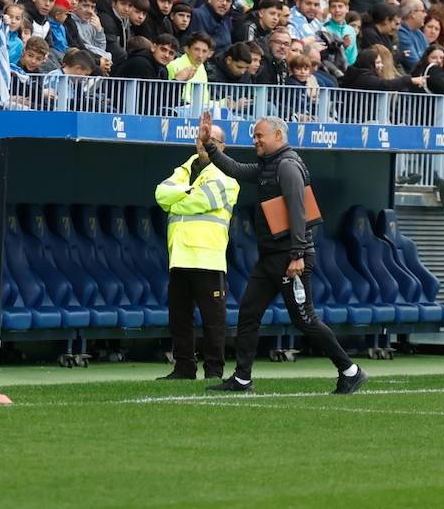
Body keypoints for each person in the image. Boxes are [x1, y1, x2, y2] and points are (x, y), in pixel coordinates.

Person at [199, 114, 368, 395]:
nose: (255, 141)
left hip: (290, 259)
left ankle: (350, 370)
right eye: (254, 136)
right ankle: (242, 379)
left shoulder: (288, 166)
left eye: (259, 136)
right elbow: (237, 170)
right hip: (270, 258)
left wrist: (298, 255)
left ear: (278, 136)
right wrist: (211, 146)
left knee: (305, 319)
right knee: (249, 313)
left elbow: (298, 212)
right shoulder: (270, 165)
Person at [153, 123, 239, 381]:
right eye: (201, 139)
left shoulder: (226, 177)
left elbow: (203, 200)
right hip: (179, 256)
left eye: (211, 139)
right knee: (179, 319)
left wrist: (175, 202)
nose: (204, 142)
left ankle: (214, 372)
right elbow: (160, 194)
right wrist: (186, 194)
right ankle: (184, 368)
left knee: (213, 321)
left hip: (208, 259)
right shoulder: (182, 170)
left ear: (221, 146)